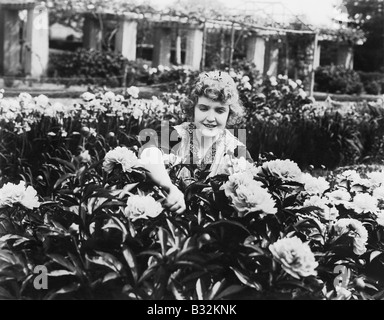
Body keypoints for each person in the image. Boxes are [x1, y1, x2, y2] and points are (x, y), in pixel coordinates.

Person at [139, 70, 253, 215]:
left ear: (229, 114)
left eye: (219, 110)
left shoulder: (236, 148)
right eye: (204, 108)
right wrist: (169, 187)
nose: (211, 118)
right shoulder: (176, 134)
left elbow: (250, 185)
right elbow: (148, 154)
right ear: (193, 109)